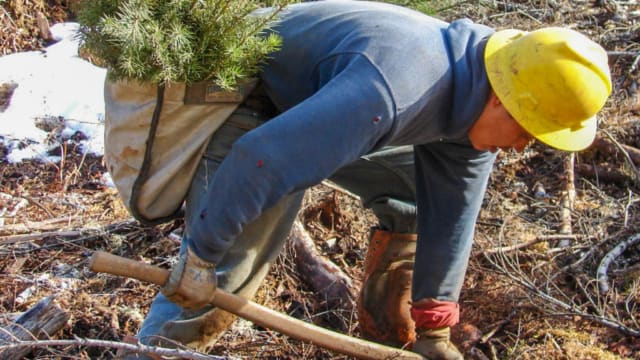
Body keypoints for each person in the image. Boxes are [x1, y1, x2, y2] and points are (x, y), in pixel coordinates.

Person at [122, 1, 612, 359]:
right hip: (248, 94)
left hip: (330, 107)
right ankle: (155, 350)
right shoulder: (392, 92)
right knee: (223, 270)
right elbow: (262, 159)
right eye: (528, 131)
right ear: (503, 100)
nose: (522, 146)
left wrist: (435, 327)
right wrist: (203, 252)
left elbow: (452, 213)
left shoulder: (489, 85)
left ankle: (387, 322)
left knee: (418, 197)